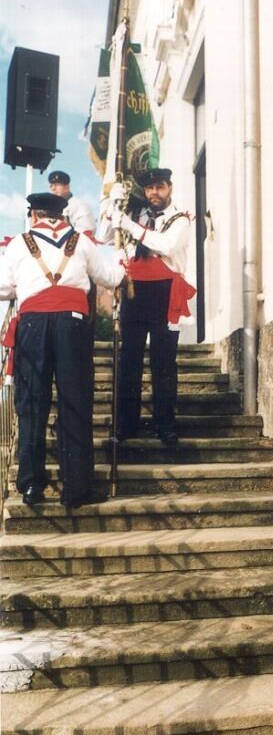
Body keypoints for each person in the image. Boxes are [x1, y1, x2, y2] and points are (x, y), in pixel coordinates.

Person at [0, 193, 124, 508]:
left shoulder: (18, 244)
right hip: (73, 324)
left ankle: (31, 486)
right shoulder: (81, 242)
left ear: (33, 215)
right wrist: (123, 261)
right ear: (61, 215)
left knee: (32, 404)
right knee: (75, 402)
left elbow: (2, 287)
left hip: (33, 326)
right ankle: (77, 489)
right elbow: (110, 278)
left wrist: (25, 286)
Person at [103, 167, 192, 445]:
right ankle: (126, 425)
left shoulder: (180, 219)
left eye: (160, 187)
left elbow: (165, 245)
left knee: (163, 362)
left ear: (170, 188)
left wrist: (128, 225)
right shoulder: (133, 213)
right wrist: (111, 205)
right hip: (134, 291)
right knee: (129, 360)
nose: (155, 193)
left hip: (165, 293)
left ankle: (165, 425)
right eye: (150, 188)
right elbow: (105, 234)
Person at [48, 170, 96, 235]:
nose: (53, 188)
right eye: (51, 186)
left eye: (56, 185)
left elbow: (86, 233)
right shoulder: (50, 210)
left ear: (67, 187)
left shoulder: (78, 205)